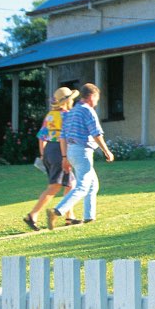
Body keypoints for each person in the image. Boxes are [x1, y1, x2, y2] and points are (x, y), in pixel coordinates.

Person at [47, 82, 114, 229]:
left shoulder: (71, 113)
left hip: (71, 151)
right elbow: (96, 134)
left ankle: (89, 217)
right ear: (91, 96)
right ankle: (57, 211)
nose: (96, 101)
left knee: (92, 184)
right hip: (82, 151)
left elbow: (62, 137)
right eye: (96, 98)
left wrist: (65, 157)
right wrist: (106, 151)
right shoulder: (87, 111)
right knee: (83, 186)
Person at [22, 87, 81, 231]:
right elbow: (66, 137)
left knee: (70, 184)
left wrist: (43, 155)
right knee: (55, 186)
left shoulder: (50, 115)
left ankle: (69, 216)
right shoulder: (67, 115)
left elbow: (41, 137)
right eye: (71, 99)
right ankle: (32, 215)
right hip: (60, 151)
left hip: (49, 151)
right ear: (68, 101)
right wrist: (65, 156)